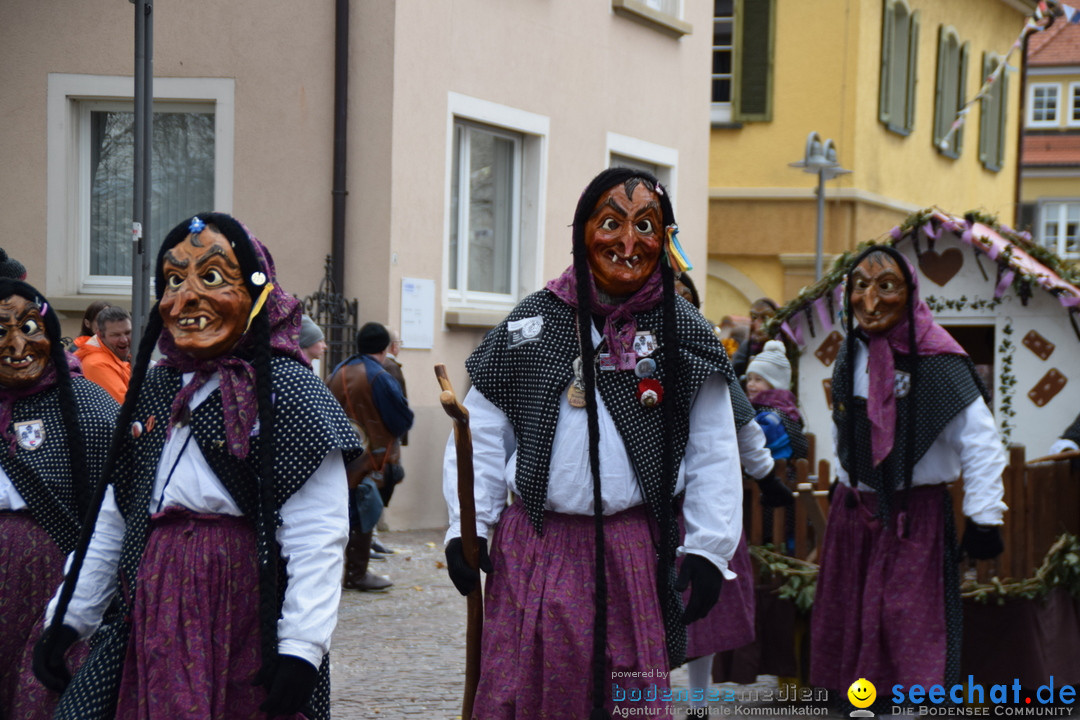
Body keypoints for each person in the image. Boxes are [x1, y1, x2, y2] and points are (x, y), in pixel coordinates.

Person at [33, 212, 362, 720]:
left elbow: (318, 532)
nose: (185, 299)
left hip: (242, 605)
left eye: (211, 278)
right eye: (172, 281)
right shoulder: (158, 387)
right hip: (155, 600)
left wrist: (301, 646)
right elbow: (115, 516)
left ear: (257, 292)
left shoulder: (290, 393)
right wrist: (70, 617)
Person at [442, 167, 744, 718]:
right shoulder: (533, 321)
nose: (628, 244)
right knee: (529, 692)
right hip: (537, 544)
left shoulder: (685, 331)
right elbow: (482, 430)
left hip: (633, 547)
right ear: (583, 231)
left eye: (647, 226)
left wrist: (709, 547)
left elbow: (714, 448)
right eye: (610, 223)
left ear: (666, 239)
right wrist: (469, 526)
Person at [809, 244, 1006, 701]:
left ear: (910, 291)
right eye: (860, 286)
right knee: (851, 615)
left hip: (913, 515)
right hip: (854, 510)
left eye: (886, 287)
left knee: (906, 620)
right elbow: (843, 431)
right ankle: (860, 705)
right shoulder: (850, 353)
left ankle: (905, 710)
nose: (870, 301)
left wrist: (984, 516)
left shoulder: (938, 359)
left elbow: (980, 441)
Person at [0, 280, 117, 720]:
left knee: (37, 690)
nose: (16, 345)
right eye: (0, 332)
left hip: (53, 576)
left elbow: (117, 500)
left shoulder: (85, 402)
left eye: (30, 326)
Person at [327, 322, 413, 592]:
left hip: (338, 456)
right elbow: (401, 420)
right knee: (364, 510)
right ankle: (357, 573)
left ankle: (342, 571)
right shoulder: (379, 375)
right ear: (385, 348)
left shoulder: (337, 372)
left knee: (345, 513)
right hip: (371, 458)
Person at [74, 305, 132, 405]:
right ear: (100, 335)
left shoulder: (121, 356)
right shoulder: (96, 364)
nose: (124, 340)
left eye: (127, 333)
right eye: (116, 335)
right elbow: (126, 405)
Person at [730, 297, 778, 379]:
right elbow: (734, 375)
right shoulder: (747, 346)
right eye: (754, 317)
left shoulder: (781, 344)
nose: (758, 323)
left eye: (765, 318)